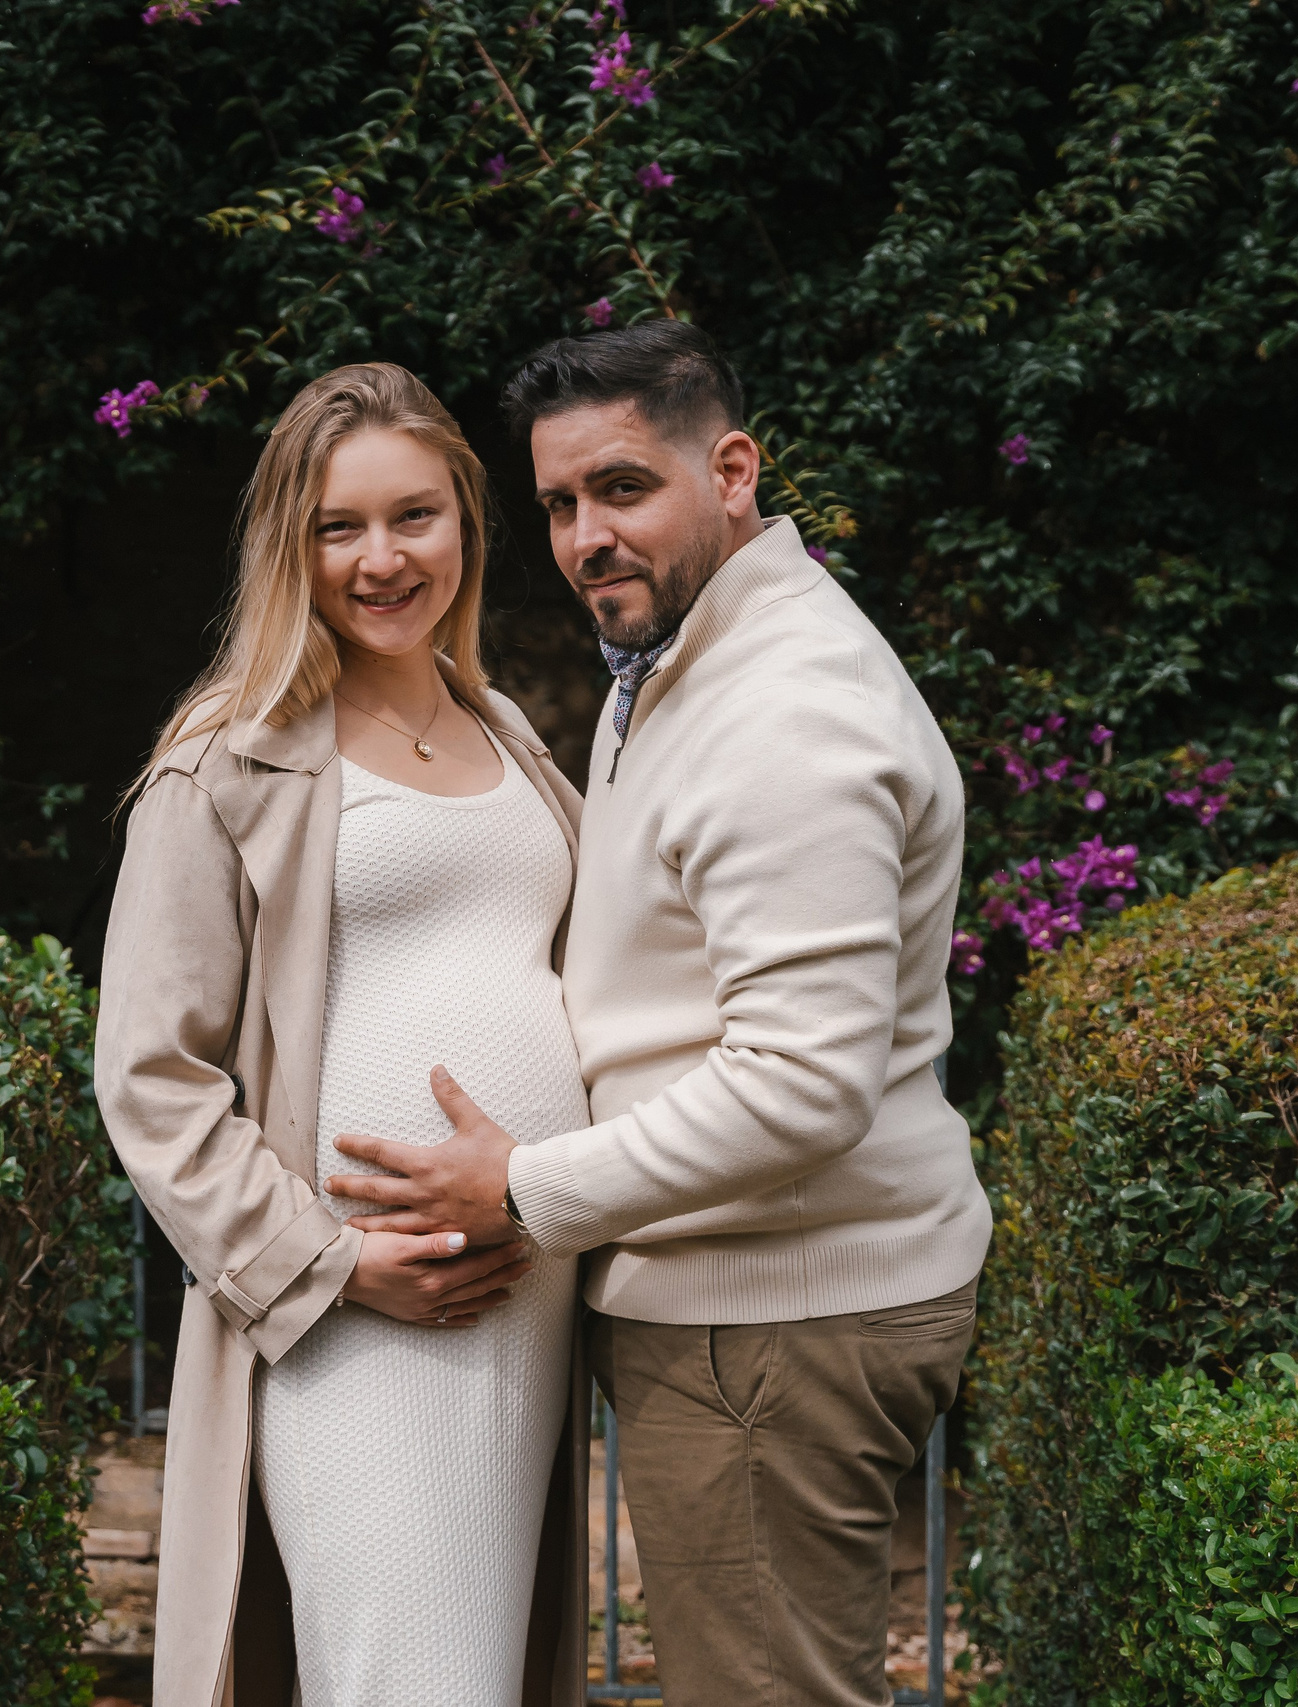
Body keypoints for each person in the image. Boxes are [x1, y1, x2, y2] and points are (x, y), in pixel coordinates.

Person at [324, 321, 993, 1706]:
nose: (586, 537)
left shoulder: (782, 718)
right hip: (753, 1306)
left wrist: (523, 1185)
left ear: (733, 469)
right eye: (561, 503)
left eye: (624, 488)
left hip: (774, 1326)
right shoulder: (686, 656)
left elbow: (802, 1086)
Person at [95, 362, 590, 1707]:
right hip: (355, 1321)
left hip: (521, 1302)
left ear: (468, 525)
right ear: (288, 547)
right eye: (338, 527)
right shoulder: (230, 756)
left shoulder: (509, 729)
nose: (382, 559)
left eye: (414, 516)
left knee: (476, 1676)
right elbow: (151, 1074)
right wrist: (329, 1263)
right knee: (399, 1678)